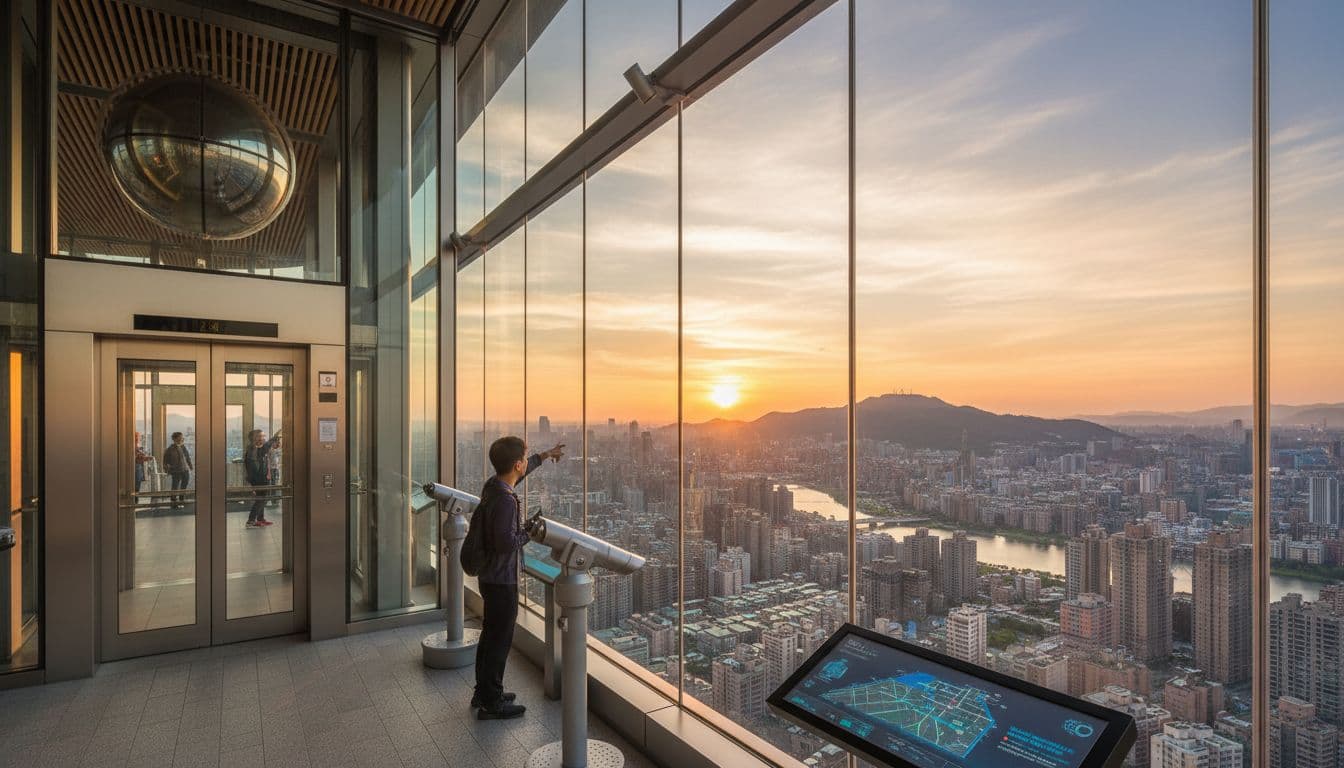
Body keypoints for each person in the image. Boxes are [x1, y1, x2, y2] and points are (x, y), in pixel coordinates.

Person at [473, 435, 565, 720]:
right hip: (502, 581)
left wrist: (544, 456)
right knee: (499, 641)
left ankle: (484, 691)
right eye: (525, 458)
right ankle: (492, 702)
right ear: (516, 464)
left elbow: (517, 478)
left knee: (490, 636)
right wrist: (529, 531)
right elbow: (505, 543)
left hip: (490, 578)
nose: (527, 461)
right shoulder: (505, 501)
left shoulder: (495, 486)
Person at [244, 429, 282, 528]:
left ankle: (260, 519)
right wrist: (253, 483)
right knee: (260, 500)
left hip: (262, 479)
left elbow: (267, 445)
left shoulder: (258, 449)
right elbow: (252, 469)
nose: (263, 438)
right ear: (254, 438)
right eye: (261, 436)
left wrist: (276, 435)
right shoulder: (253, 450)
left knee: (262, 499)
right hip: (259, 480)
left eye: (264, 436)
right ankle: (250, 521)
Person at [162, 432, 193, 509]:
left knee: (184, 485)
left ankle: (182, 500)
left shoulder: (183, 447)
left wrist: (190, 466)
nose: (181, 439)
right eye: (179, 438)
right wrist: (167, 470)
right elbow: (165, 461)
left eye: (182, 438)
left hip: (184, 469)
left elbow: (187, 457)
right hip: (176, 470)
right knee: (175, 486)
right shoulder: (169, 449)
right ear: (174, 439)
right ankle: (173, 501)